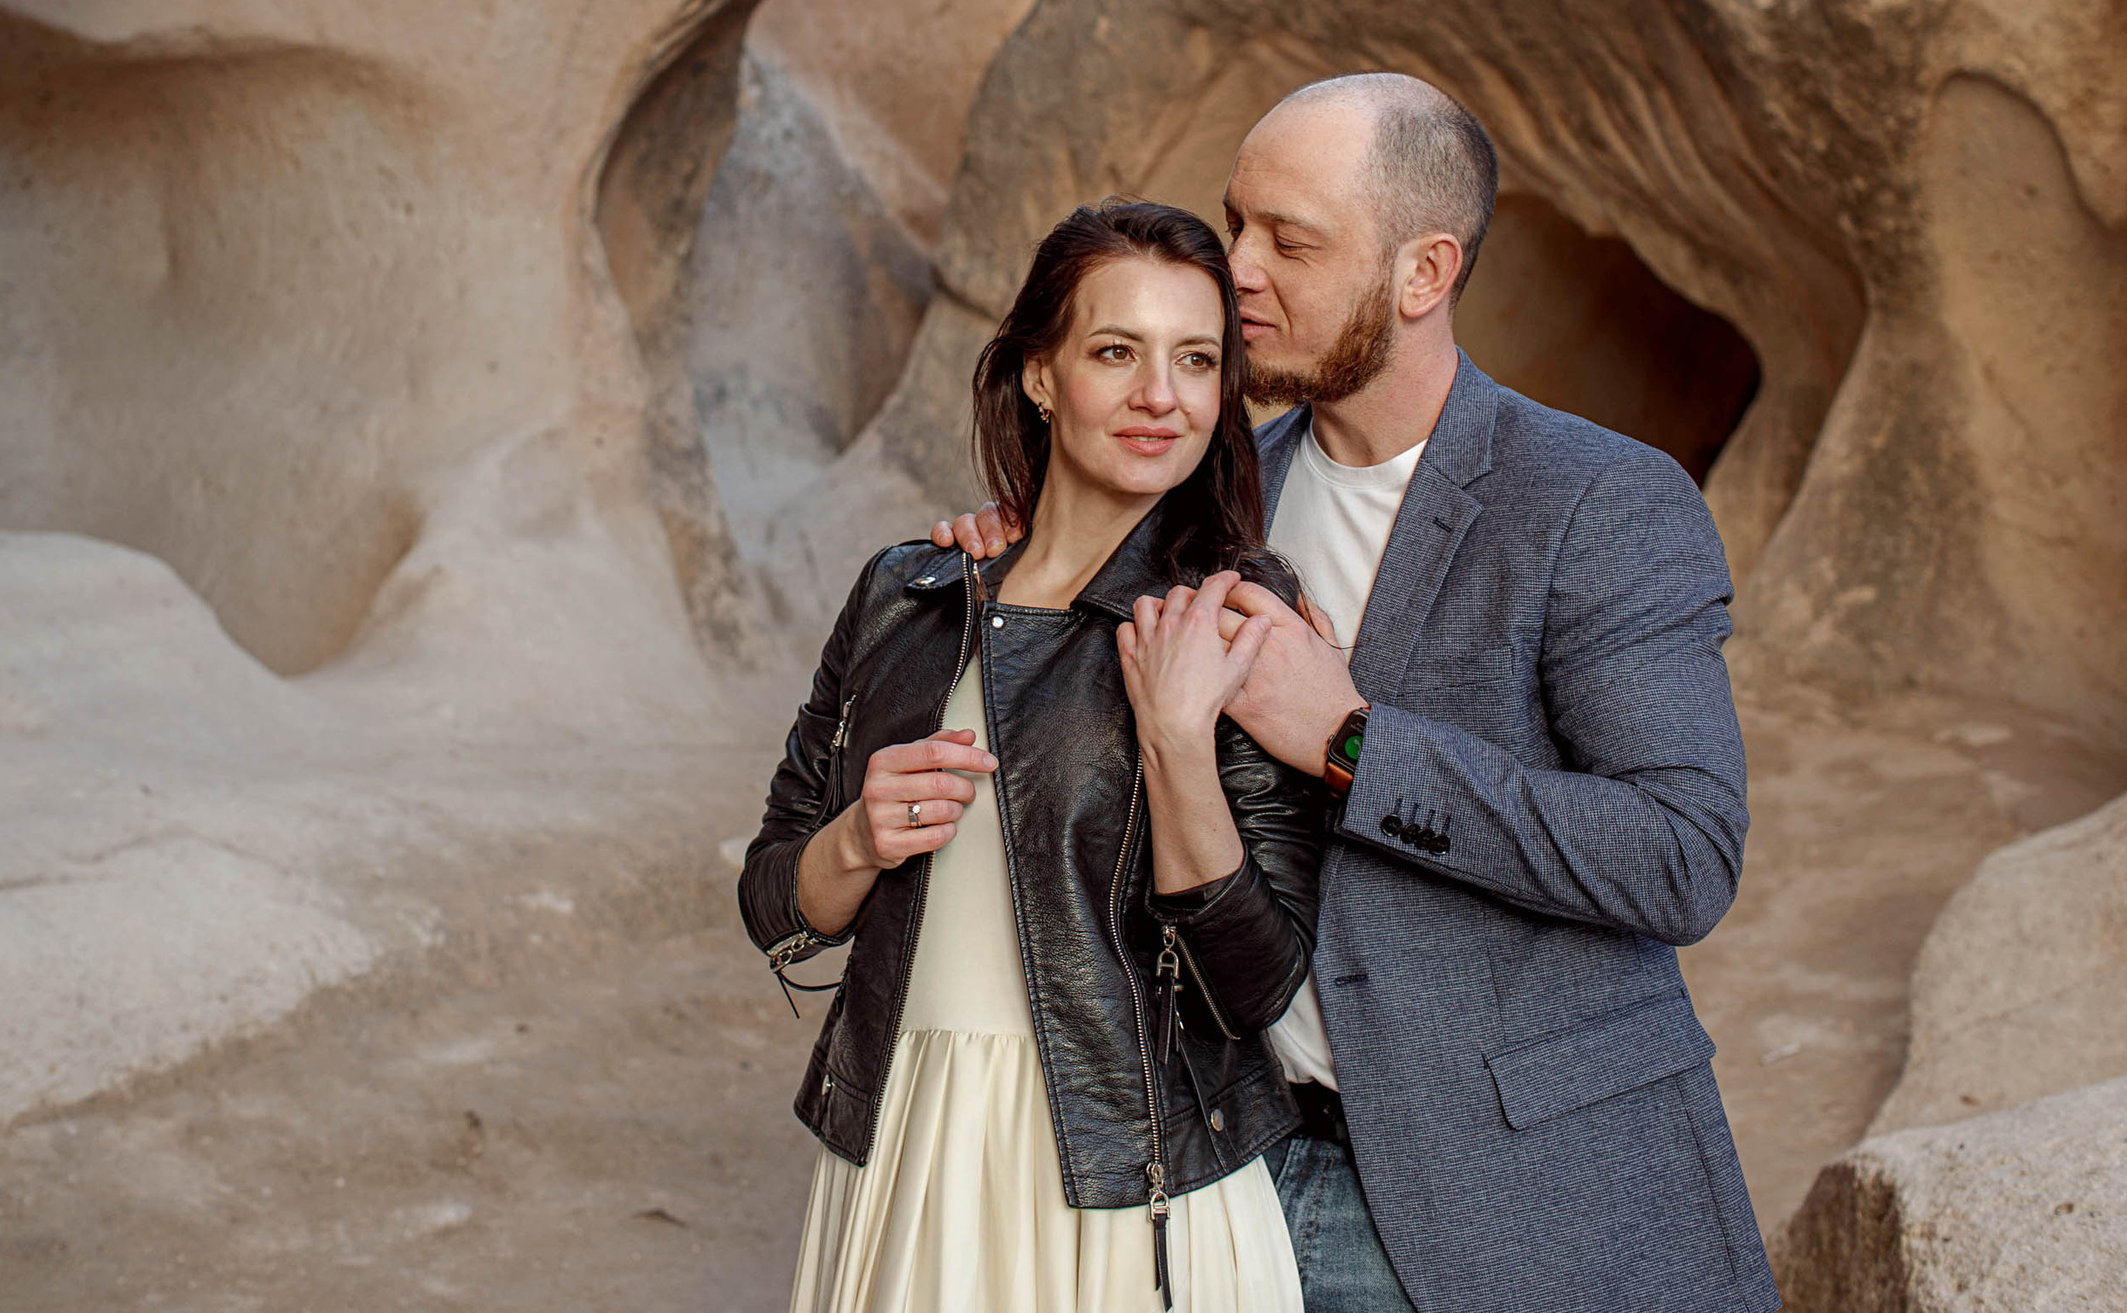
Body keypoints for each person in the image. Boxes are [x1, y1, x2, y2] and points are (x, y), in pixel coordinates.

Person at [936, 75, 1779, 1313]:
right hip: (1234, 1170)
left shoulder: (1600, 502)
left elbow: (1678, 856)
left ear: (1422, 273)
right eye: (1235, 225)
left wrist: (1347, 741)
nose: (1236, 271)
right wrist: (1019, 557)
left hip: (1519, 1191)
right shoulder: (1201, 498)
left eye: (1290, 240)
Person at [740, 200, 1328, 1312]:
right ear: (1040, 376)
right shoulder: (905, 595)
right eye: (1116, 352)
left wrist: (1176, 744)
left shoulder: (1237, 616)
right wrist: (858, 838)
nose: (1162, 395)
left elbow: (1256, 987)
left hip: (1120, 1176)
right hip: (901, 1150)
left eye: (1195, 360)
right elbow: (774, 901)